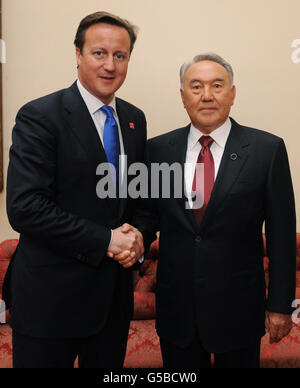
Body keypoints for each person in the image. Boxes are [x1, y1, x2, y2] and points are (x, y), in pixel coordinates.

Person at [121, 53, 297, 368]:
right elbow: (148, 215)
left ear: (232, 93)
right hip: (178, 312)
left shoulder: (266, 150)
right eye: (196, 86)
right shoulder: (158, 150)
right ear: (183, 96)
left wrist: (280, 305)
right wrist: (133, 238)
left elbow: (281, 234)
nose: (207, 95)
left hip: (240, 308)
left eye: (217, 86)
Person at [2, 11, 145, 368]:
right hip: (49, 301)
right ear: (78, 55)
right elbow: (25, 207)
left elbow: (140, 197)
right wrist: (107, 240)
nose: (110, 65)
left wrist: (140, 234)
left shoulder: (133, 119)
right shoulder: (40, 116)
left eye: (120, 55)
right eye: (99, 53)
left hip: (111, 303)